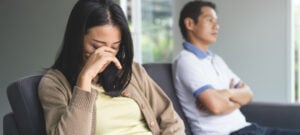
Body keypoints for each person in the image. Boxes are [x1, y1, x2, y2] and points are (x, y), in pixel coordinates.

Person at [38, 0, 184, 134]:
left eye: (114, 47)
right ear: (76, 38)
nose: (106, 55)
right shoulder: (54, 84)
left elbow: (171, 120)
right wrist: (85, 79)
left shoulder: (132, 72)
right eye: (97, 46)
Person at [172, 1, 300, 135]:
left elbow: (249, 94)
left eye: (217, 21)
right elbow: (216, 106)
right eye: (210, 20)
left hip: (249, 128)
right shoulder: (187, 61)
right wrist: (236, 100)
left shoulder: (216, 60)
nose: (217, 26)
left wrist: (226, 94)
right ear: (190, 24)